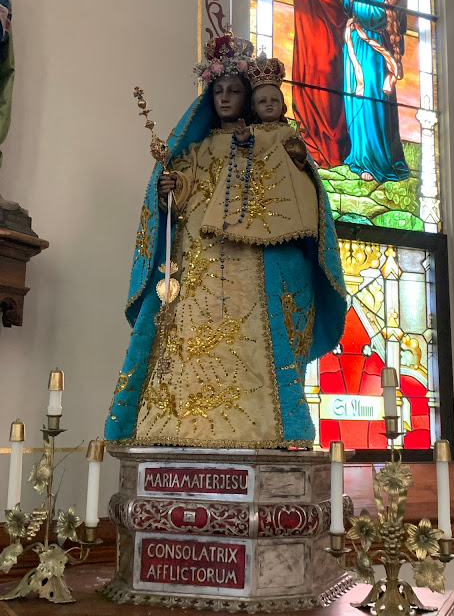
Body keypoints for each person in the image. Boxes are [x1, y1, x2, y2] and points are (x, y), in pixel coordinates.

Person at [104, 33, 346, 449]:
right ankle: (178, 426)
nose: (225, 98)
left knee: (254, 343)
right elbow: (181, 192)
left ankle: (263, 429)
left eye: (234, 91)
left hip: (252, 266)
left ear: (248, 97)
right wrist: (169, 189)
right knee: (189, 342)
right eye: (218, 91)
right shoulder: (198, 149)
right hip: (198, 262)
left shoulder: (271, 139)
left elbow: (295, 191)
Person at [343, 0, 409, 182]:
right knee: (354, 101)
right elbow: (347, 8)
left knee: (371, 103)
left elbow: (374, 18)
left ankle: (375, 161)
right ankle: (359, 157)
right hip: (354, 47)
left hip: (372, 51)